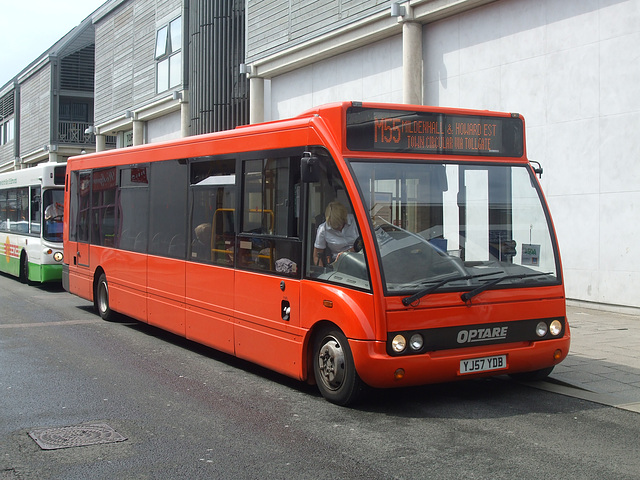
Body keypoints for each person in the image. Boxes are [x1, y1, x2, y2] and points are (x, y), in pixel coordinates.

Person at [313, 201, 359, 265]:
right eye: (334, 227)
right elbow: (317, 256)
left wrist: (347, 252)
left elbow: (366, 242)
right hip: (339, 263)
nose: (338, 229)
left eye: (340, 225)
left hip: (359, 257)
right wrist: (322, 271)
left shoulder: (356, 221)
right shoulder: (323, 229)